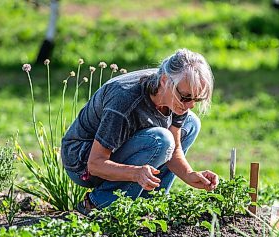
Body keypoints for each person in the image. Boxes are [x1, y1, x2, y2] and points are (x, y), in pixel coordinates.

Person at [61, 48, 219, 215]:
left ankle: (149, 207)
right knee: (161, 140)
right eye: (186, 97)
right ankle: (96, 206)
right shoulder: (124, 101)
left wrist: (189, 175)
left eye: (197, 99)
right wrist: (135, 173)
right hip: (82, 163)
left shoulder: (177, 92)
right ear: (165, 81)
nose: (191, 105)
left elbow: (175, 149)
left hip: (122, 152)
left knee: (191, 123)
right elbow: (95, 165)